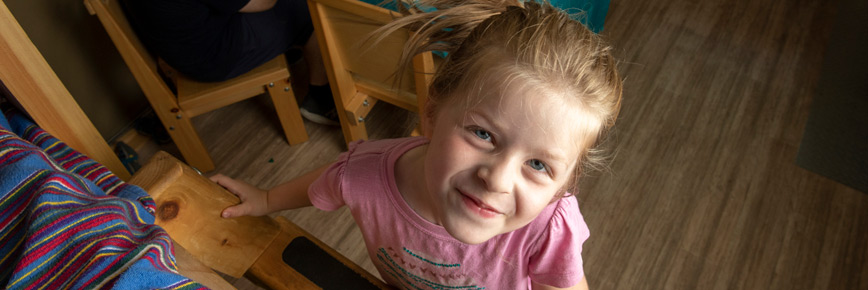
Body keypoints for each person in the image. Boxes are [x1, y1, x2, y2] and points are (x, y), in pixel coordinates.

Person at [210, 0, 623, 288]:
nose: (496, 179)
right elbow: (335, 179)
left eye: (539, 165)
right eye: (483, 134)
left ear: (565, 186)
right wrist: (266, 200)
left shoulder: (549, 226)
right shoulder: (367, 172)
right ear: (431, 113)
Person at [123, 0, 339, 125]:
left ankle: (289, 45)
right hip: (212, 57)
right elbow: (264, 1)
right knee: (311, 8)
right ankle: (319, 98)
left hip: (180, 44)